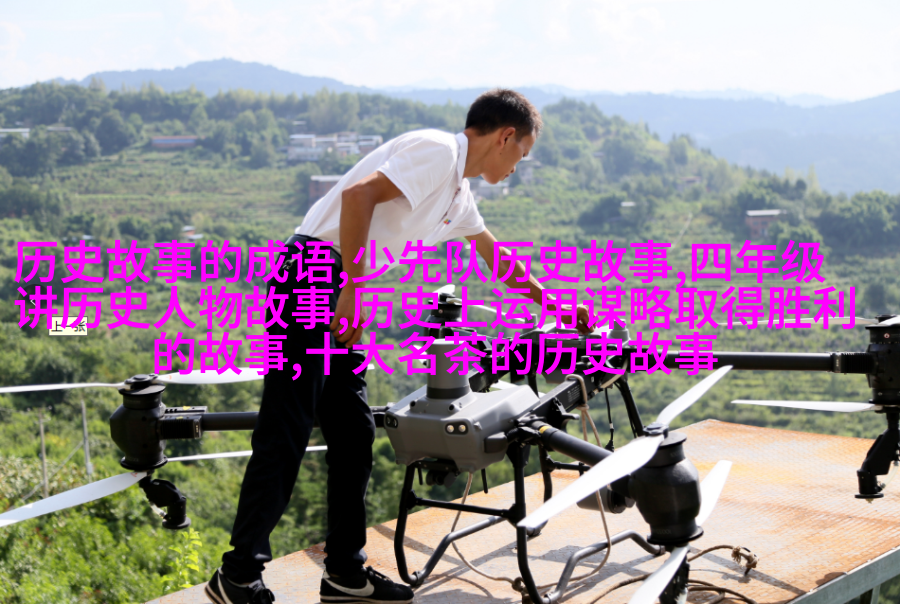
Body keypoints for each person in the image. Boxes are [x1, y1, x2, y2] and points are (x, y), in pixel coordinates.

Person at [205, 88, 590, 604]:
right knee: (287, 427)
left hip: (335, 282)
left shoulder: (458, 193)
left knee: (354, 432)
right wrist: (352, 287)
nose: (518, 166)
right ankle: (236, 575)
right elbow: (357, 196)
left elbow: (495, 256)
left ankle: (344, 573)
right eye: (522, 153)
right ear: (505, 137)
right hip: (311, 275)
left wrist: (554, 305)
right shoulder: (438, 151)